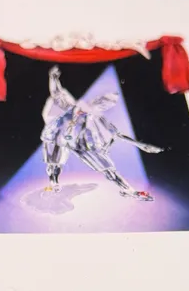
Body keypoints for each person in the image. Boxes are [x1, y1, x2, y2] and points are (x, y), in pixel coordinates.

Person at [40, 65, 163, 200]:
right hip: (58, 137)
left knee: (109, 170)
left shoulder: (96, 118)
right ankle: (54, 182)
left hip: (82, 144)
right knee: (53, 164)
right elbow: (56, 93)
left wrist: (142, 145)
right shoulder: (70, 107)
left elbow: (117, 134)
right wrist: (53, 78)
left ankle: (129, 190)